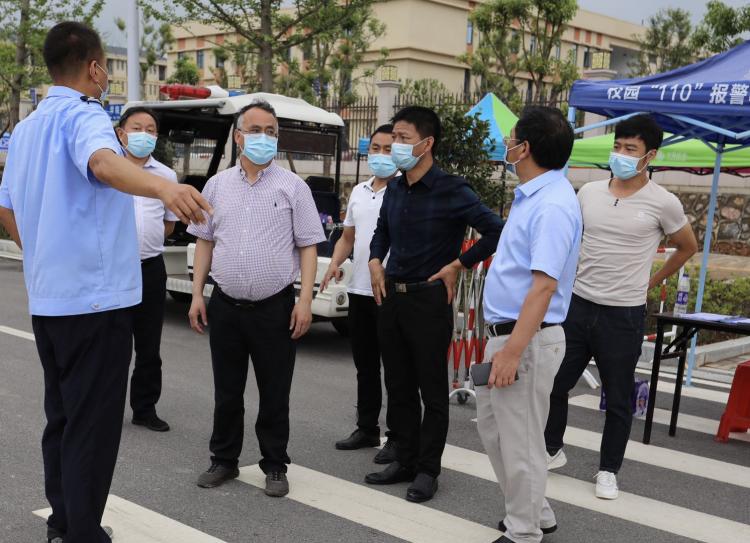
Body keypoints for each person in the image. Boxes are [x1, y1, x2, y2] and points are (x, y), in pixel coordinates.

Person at [0, 22, 210, 543]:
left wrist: (41, 253)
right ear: (95, 68)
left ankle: (63, 523)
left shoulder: (25, 129)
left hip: (50, 301)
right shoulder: (86, 113)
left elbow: (6, 207)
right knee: (91, 428)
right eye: (104, 71)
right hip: (95, 302)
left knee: (63, 419)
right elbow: (101, 163)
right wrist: (163, 188)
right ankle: (83, 534)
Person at [544, 114, 698, 500]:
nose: (621, 154)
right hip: (579, 305)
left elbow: (687, 246)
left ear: (650, 156)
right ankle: (551, 448)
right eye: (617, 146)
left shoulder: (663, 202)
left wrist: (652, 282)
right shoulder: (588, 192)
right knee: (554, 384)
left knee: (617, 398)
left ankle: (608, 470)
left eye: (631, 149)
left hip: (623, 313)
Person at [365, 106, 504, 503]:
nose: (395, 146)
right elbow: (381, 231)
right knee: (399, 386)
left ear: (427, 144)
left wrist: (459, 264)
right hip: (392, 297)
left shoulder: (452, 189)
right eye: (394, 138)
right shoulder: (395, 188)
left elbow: (496, 230)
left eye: (403, 139)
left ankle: (428, 470)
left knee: (431, 390)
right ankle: (405, 459)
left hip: (428, 300)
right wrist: (375, 260)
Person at [188, 100, 325, 498]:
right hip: (226, 306)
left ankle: (275, 464)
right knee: (227, 391)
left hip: (274, 308)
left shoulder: (293, 187)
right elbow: (204, 241)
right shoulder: (217, 186)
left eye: (271, 132)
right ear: (238, 136)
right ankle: (224, 460)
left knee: (275, 392)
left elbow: (308, 246)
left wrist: (304, 300)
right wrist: (197, 294)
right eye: (255, 130)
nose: (264, 138)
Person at [477, 106, 582, 543]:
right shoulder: (533, 196)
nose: (507, 146)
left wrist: (513, 351)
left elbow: (543, 287)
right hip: (506, 334)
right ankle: (536, 511)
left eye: (511, 140)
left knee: (520, 441)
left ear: (526, 148)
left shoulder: (553, 205)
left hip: (525, 339)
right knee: (494, 430)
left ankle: (523, 532)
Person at [321, 124, 398, 464]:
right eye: (375, 148)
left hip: (391, 291)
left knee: (395, 368)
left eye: (388, 149)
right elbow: (348, 237)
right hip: (359, 289)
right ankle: (367, 427)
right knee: (365, 365)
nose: (380, 155)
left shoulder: (404, 190)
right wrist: (334, 263)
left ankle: (397, 435)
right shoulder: (359, 191)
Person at [116, 107, 178, 433]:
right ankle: (107, 409)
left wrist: (144, 240)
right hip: (114, 270)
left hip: (151, 268)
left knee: (149, 345)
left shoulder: (166, 176)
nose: (144, 134)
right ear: (121, 133)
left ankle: (144, 408)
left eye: (151, 129)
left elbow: (169, 223)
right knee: (112, 345)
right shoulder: (107, 169)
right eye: (137, 127)